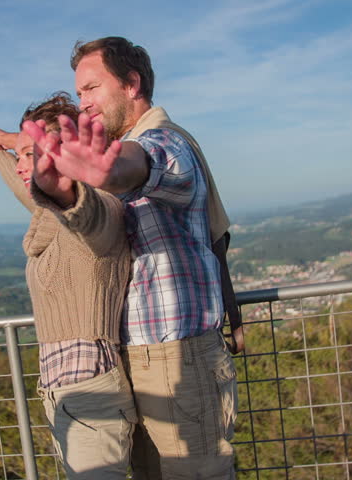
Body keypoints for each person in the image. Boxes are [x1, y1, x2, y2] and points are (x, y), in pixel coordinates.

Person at [22, 37, 238, 479]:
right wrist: (65, 191)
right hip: (132, 359)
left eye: (92, 89)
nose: (84, 104)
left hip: (180, 356)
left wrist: (108, 171)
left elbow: (142, 163)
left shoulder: (166, 142)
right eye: (79, 93)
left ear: (132, 84)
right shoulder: (129, 142)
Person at [0, 92, 137, 479]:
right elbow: (31, 190)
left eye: (30, 155)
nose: (22, 165)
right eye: (22, 155)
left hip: (91, 392)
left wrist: (65, 191)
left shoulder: (100, 211)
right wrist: (2, 147)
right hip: (64, 393)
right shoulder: (47, 220)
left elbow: (85, 212)